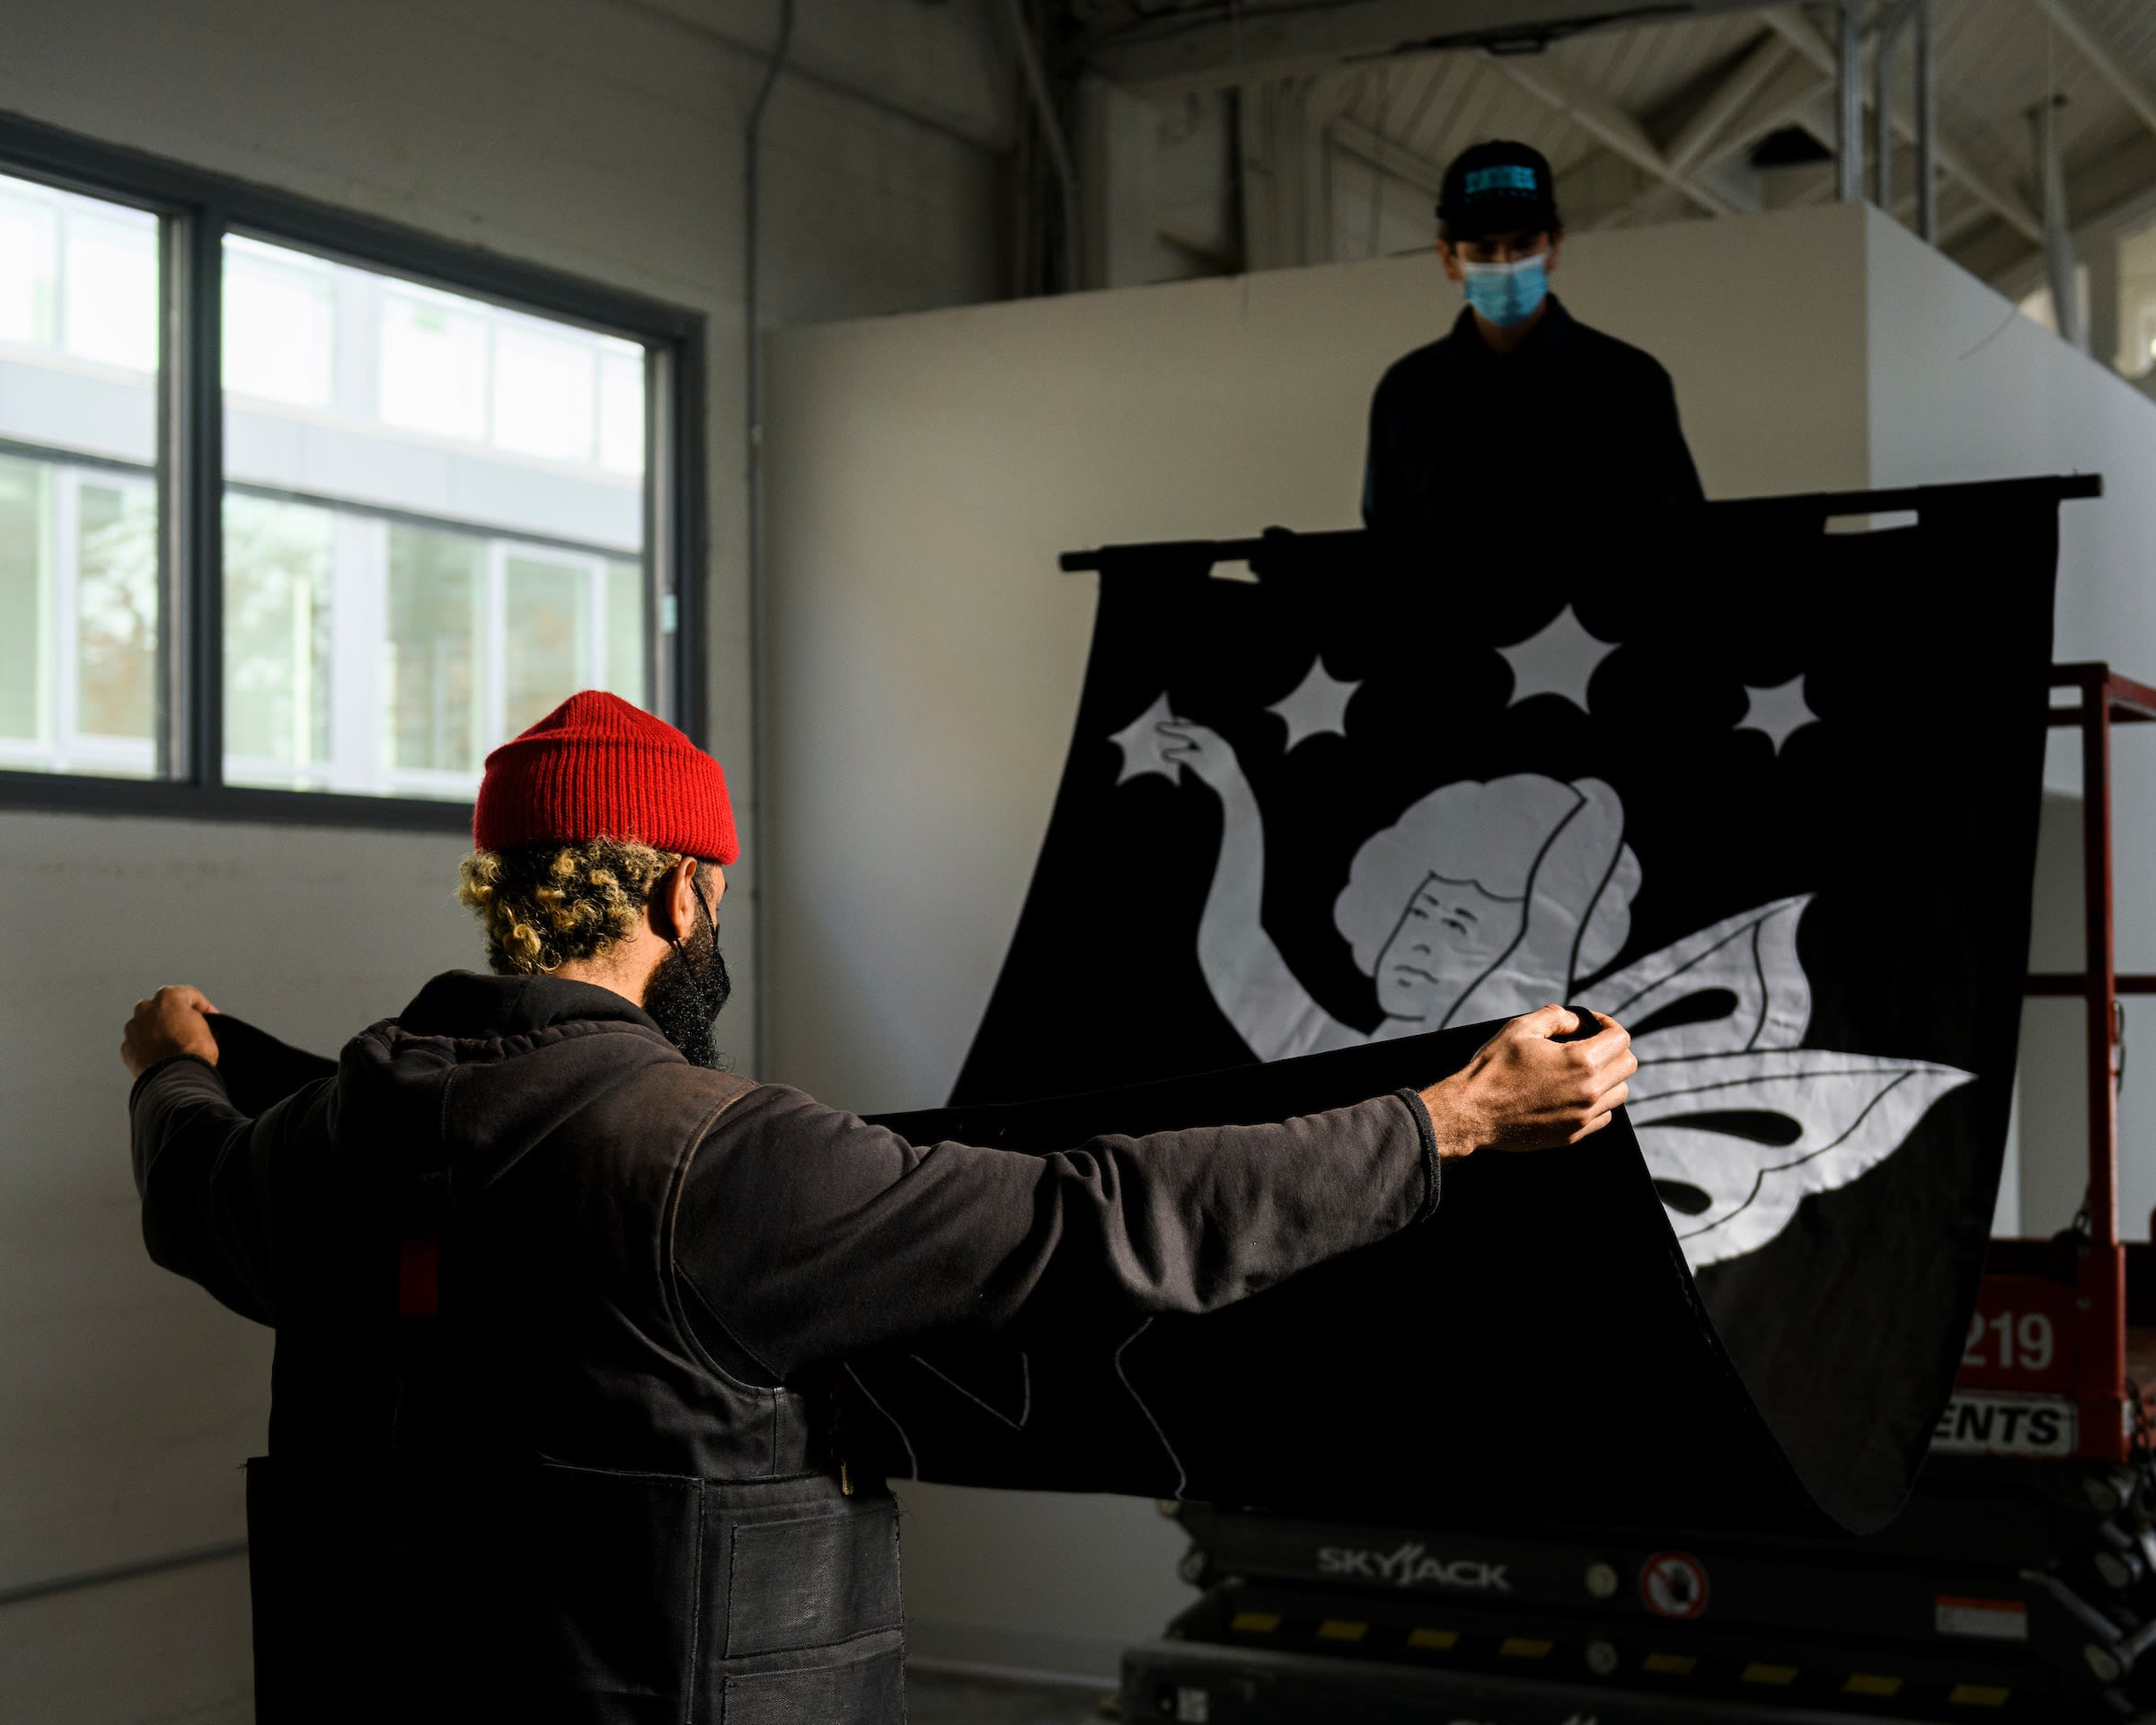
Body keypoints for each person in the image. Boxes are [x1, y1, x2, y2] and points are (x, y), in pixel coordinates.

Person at [119, 690, 1636, 1723]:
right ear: (676, 900)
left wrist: (174, 1066)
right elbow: (1094, 1222)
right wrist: (1449, 1121)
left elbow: (186, 1187)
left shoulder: (315, 1147)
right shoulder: (710, 1160)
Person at [1361, 139, 1705, 537]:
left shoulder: (1627, 382)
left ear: (1554, 247)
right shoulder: (1409, 393)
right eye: (1484, 250)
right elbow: (1387, 542)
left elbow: (1677, 535)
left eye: (1523, 244)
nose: (1506, 264)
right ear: (1448, 260)